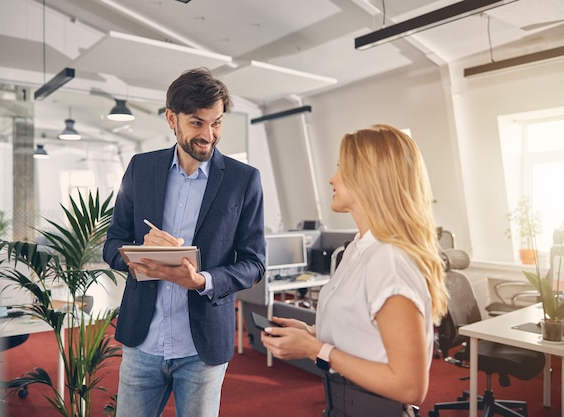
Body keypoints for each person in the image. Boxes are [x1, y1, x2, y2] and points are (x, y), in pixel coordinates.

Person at [103, 67, 266, 417]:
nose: (209, 134)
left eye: (217, 123)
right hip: (142, 341)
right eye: (197, 123)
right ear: (171, 119)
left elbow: (254, 263)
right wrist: (134, 256)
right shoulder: (140, 169)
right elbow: (113, 242)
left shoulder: (244, 180)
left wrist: (202, 281)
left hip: (202, 347)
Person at [261, 124, 448, 417]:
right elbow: (366, 335)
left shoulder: (390, 260)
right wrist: (311, 334)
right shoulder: (358, 248)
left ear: (368, 179)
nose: (331, 178)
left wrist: (316, 350)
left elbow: (410, 387)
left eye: (341, 168)